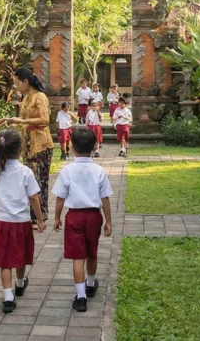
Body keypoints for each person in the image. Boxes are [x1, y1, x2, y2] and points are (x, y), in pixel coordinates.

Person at [0, 130, 45, 314]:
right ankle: (19, 284)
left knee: (5, 261)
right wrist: (40, 220)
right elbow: (34, 197)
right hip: (21, 222)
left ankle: (8, 297)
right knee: (19, 254)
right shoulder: (25, 172)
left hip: (1, 221)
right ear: (20, 149)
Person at [53, 126, 113, 313]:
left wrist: (56, 217)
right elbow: (105, 198)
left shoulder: (67, 170)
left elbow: (60, 197)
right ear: (94, 146)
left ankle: (80, 297)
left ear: (72, 148)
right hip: (94, 215)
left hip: (74, 216)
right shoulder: (99, 170)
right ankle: (90, 283)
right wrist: (108, 221)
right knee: (91, 252)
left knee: (77, 257)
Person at [0, 68, 55, 225]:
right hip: (28, 143)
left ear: (26, 82)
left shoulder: (39, 97)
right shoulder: (27, 97)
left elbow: (44, 120)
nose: (16, 87)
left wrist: (22, 122)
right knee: (30, 180)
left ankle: (40, 215)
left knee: (39, 180)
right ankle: (32, 213)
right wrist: (10, 119)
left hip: (41, 144)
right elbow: (24, 118)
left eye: (17, 83)